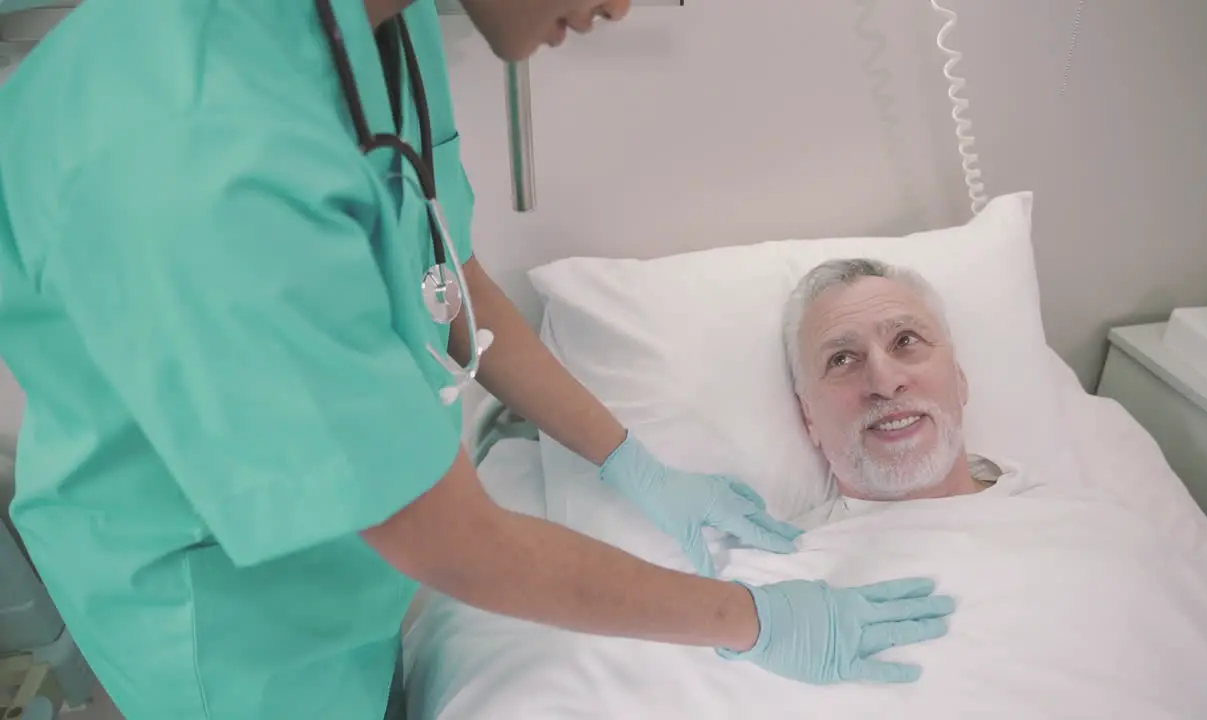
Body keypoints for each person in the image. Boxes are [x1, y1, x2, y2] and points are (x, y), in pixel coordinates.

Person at [0, 2, 955, 717]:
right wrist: (758, 620)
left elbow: (439, 269)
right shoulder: (195, 153)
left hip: (350, 571)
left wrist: (630, 458)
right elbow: (454, 543)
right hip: (226, 618)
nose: (623, 5)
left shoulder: (378, 21)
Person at [781, 258, 1037, 525]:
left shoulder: (1068, 515)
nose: (885, 384)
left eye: (905, 340)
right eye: (842, 359)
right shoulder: (783, 560)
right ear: (808, 415)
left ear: (959, 376)